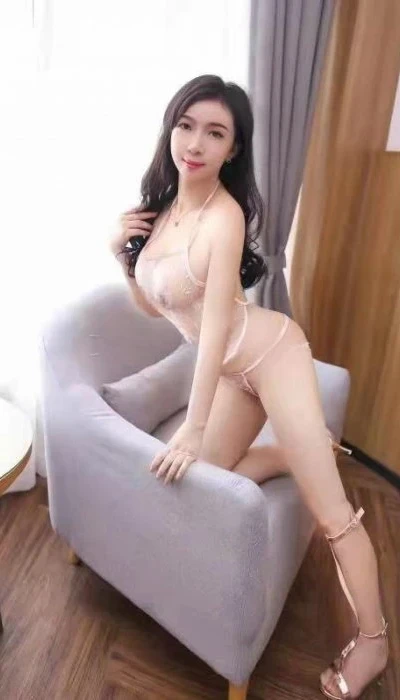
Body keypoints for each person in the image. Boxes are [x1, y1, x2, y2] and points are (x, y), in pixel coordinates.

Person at [109, 74, 389, 699]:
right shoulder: (163, 210)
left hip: (272, 355)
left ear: (233, 148)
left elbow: (212, 331)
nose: (196, 143)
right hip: (235, 373)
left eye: (215, 133)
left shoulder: (224, 217)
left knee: (332, 512)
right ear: (170, 128)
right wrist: (121, 256)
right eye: (186, 126)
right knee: (203, 480)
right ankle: (293, 451)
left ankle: (374, 641)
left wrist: (195, 423)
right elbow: (156, 307)